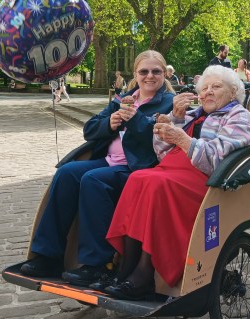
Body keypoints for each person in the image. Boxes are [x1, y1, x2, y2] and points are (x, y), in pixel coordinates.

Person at [102, 65, 250, 300]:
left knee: (156, 183)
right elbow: (162, 153)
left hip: (208, 182)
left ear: (233, 91)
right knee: (138, 179)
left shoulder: (238, 116)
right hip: (175, 172)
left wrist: (182, 139)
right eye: (204, 88)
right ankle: (128, 266)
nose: (207, 92)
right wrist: (173, 122)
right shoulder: (193, 114)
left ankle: (145, 273)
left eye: (216, 87)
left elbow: (217, 159)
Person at [19, 50, 175, 285]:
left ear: (165, 74)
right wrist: (109, 124)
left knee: (94, 179)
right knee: (66, 173)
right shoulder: (124, 98)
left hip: (140, 168)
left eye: (156, 71)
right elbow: (89, 129)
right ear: (135, 74)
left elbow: (159, 140)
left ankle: (98, 264)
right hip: (109, 161)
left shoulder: (169, 103)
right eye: (144, 71)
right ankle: (48, 255)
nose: (150, 76)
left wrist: (134, 120)